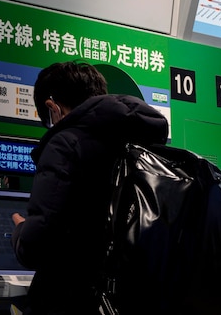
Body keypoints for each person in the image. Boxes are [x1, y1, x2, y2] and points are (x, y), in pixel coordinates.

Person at [11, 60, 168, 315]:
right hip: (129, 300)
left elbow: (37, 245)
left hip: (72, 299)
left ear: (52, 107)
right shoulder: (141, 145)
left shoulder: (66, 144)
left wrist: (20, 231)